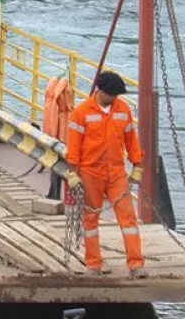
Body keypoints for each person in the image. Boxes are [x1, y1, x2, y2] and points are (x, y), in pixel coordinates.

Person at [64, 71, 148, 278]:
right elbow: (74, 146)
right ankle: (93, 264)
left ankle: (136, 264)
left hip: (116, 173)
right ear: (100, 90)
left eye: (116, 96)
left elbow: (131, 141)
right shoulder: (82, 112)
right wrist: (72, 173)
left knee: (128, 219)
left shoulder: (123, 110)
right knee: (90, 220)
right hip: (91, 173)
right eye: (110, 95)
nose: (113, 99)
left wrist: (137, 166)